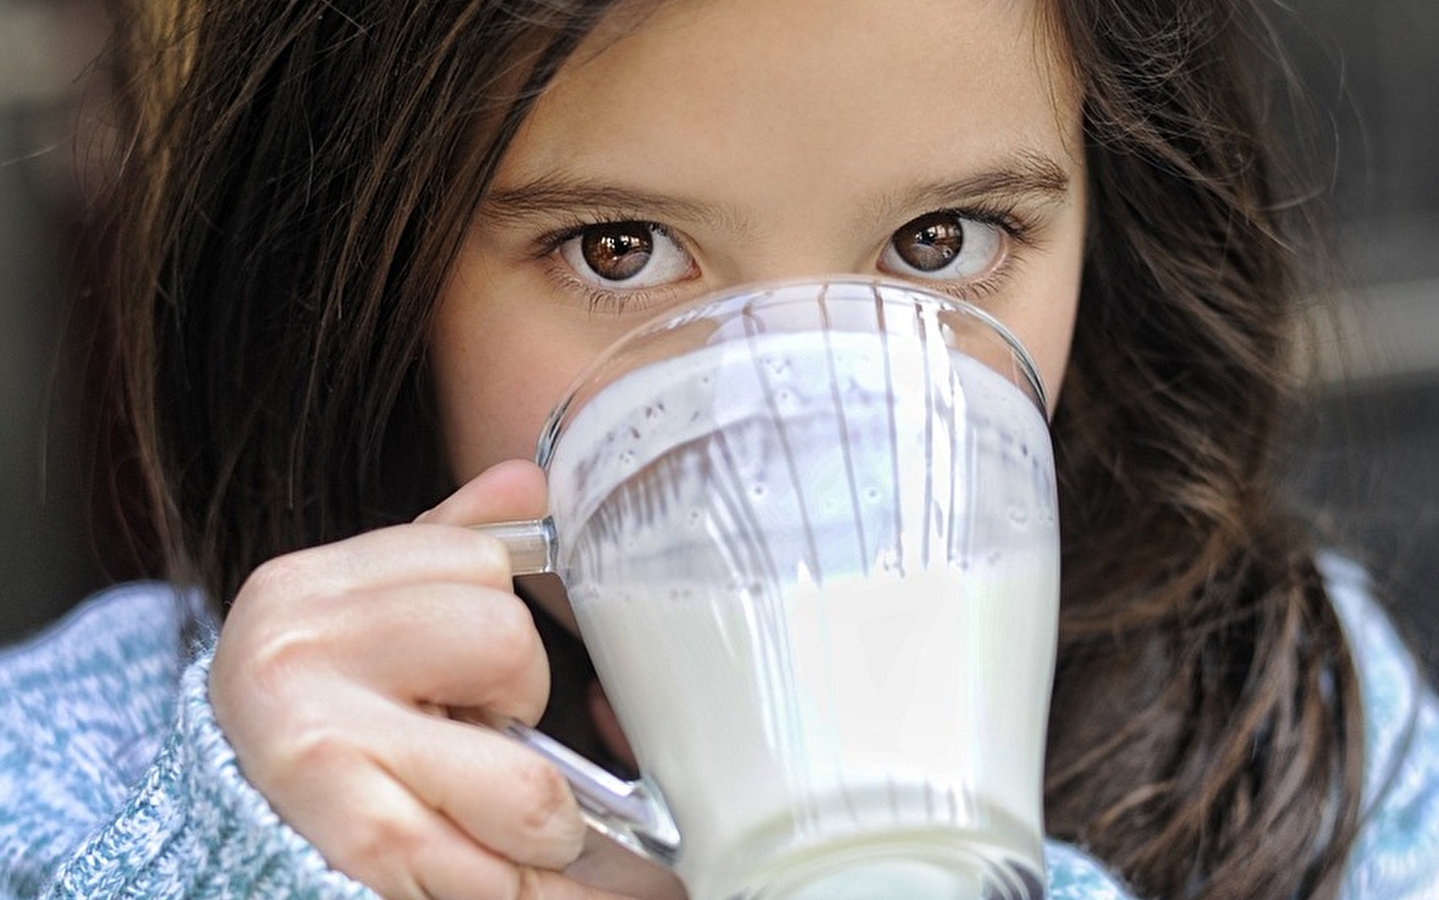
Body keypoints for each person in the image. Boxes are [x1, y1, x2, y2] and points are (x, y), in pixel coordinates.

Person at [1, 0, 1435, 898]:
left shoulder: (1304, 735)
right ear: (370, 265)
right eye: (622, 251)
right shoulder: (83, 776)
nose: (792, 444)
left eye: (939, 244)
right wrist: (243, 867)